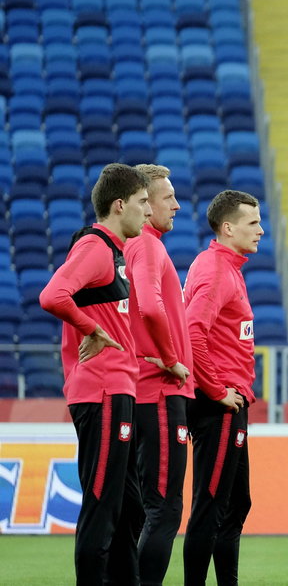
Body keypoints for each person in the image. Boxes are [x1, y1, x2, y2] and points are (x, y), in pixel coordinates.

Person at [40, 163, 151, 586]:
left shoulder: (113, 253)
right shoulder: (96, 247)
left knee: (128, 508)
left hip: (118, 388)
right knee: (103, 505)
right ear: (119, 205)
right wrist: (94, 330)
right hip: (102, 390)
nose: (146, 211)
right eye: (142, 203)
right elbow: (52, 294)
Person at [182, 189, 262, 586]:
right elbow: (192, 332)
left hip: (230, 400)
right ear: (228, 228)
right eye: (253, 222)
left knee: (235, 503)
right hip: (220, 403)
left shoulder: (225, 267)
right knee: (211, 505)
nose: (261, 230)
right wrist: (215, 390)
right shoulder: (215, 270)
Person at [126, 164, 194, 586]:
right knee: (164, 508)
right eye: (168, 196)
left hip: (140, 392)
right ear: (145, 204)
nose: (176, 204)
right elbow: (151, 307)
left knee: (143, 506)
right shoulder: (149, 246)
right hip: (160, 393)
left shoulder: (132, 246)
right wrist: (171, 359)